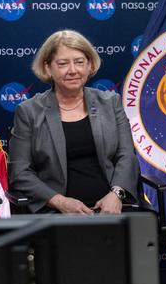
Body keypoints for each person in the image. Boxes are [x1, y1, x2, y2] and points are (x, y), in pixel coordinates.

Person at [8, 29, 139, 214]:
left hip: (112, 206)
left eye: (79, 62)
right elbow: (20, 172)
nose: (73, 70)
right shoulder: (29, 111)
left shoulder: (111, 102)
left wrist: (116, 194)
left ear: (89, 65)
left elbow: (126, 156)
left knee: (143, 231)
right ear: (48, 68)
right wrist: (59, 202)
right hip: (56, 211)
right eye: (63, 64)